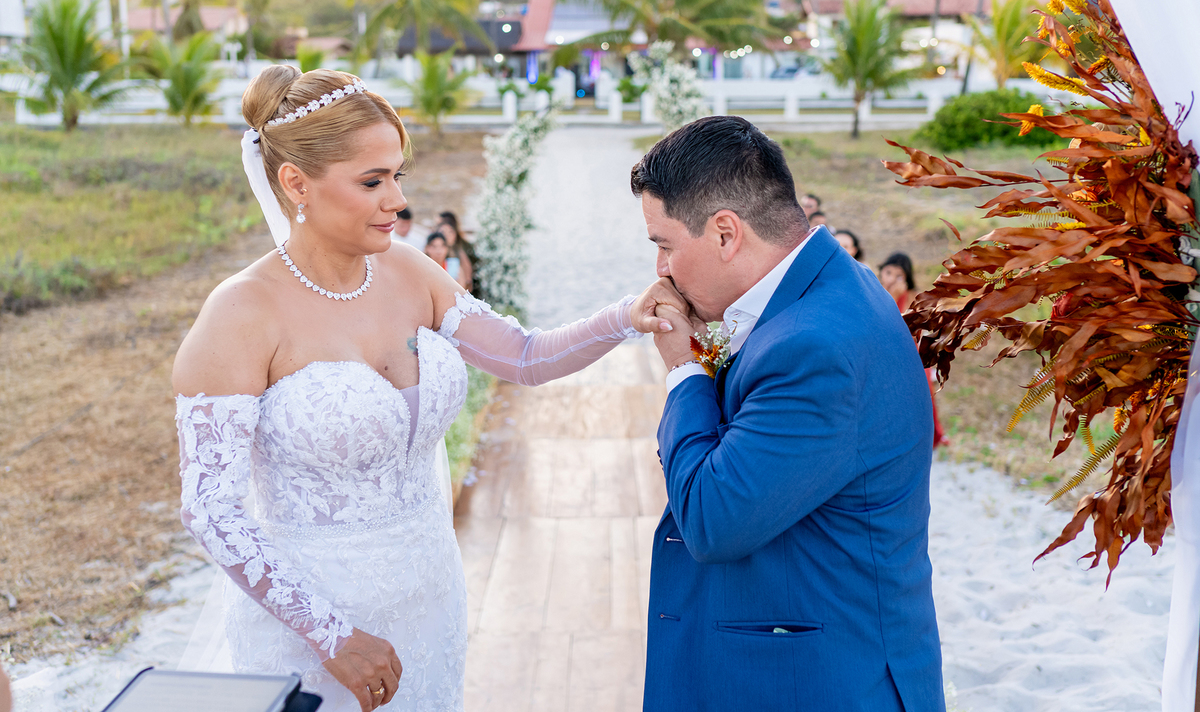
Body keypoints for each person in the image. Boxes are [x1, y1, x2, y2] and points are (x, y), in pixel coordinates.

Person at [172, 66, 684, 712]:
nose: (397, 200)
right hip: (311, 631)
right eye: (372, 181)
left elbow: (524, 357)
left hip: (429, 599)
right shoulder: (240, 314)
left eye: (398, 175)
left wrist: (627, 316)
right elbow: (211, 509)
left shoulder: (410, 272)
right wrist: (331, 635)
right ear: (296, 183)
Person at [633, 116, 944, 711]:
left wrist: (683, 368)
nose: (661, 270)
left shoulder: (815, 348)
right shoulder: (827, 286)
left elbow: (712, 518)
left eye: (665, 245)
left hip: (816, 683)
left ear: (726, 233)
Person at [878, 251, 948, 448]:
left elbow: (906, 327)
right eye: (888, 272)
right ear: (881, 271)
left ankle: (932, 434)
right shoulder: (874, 290)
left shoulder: (911, 296)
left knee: (923, 392)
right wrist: (890, 296)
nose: (891, 279)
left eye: (898, 275)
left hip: (909, 352)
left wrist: (896, 297)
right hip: (882, 352)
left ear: (906, 278)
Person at [435, 212, 474, 293]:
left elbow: (467, 279)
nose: (447, 235)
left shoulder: (460, 252)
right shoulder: (434, 252)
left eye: (450, 232)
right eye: (443, 232)